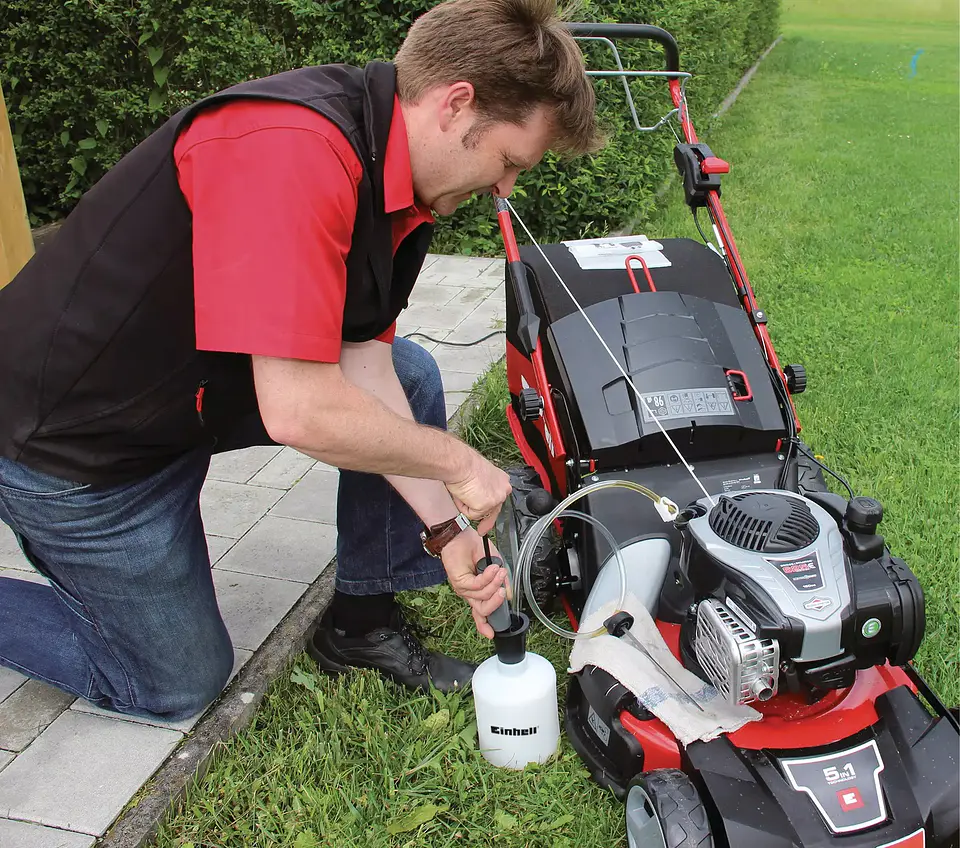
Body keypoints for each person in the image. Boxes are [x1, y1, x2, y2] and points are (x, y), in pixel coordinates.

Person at [0, 0, 599, 720]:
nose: (505, 189)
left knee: (405, 373)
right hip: (75, 444)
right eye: (508, 161)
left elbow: (364, 365)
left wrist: (445, 531)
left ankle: (359, 624)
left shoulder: (403, 190)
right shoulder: (288, 148)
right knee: (174, 684)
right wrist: (457, 463)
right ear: (456, 104)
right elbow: (297, 409)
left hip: (185, 399)